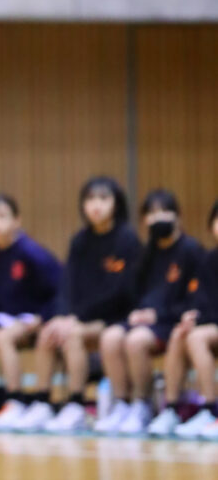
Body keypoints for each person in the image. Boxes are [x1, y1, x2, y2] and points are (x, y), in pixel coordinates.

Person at [15, 177, 142, 434]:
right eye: (90, 199)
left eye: (103, 199)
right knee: (49, 334)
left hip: (115, 318)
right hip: (79, 318)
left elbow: (120, 292)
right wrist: (61, 316)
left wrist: (76, 318)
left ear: (116, 203)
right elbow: (66, 285)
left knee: (71, 336)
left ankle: (76, 404)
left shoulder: (127, 240)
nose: (96, 205)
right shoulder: (80, 241)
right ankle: (43, 402)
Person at [95, 188, 205, 436]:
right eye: (152, 213)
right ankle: (122, 404)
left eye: (165, 211)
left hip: (170, 320)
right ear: (144, 220)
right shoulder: (146, 253)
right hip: (143, 319)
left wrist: (159, 315)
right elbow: (132, 293)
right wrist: (136, 312)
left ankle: (142, 405)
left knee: (136, 341)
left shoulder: (191, 250)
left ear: (178, 216)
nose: (159, 218)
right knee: (110, 337)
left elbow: (197, 299)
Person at [0, 193, 62, 428]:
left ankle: (15, 401)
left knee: (3, 338)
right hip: (4, 317)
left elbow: (60, 289)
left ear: (16, 220)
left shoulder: (33, 253)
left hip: (33, 317)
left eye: (2, 216)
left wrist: (42, 318)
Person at [149, 198, 218, 439]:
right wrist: (193, 316)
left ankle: (211, 409)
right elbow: (201, 299)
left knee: (196, 337)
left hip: (212, 327)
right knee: (180, 333)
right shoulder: (210, 259)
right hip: (212, 325)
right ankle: (171, 409)